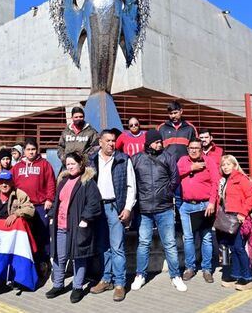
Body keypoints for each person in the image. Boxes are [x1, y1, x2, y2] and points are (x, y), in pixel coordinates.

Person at [130, 129, 186, 292]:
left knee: (169, 243)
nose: (159, 144)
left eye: (160, 142)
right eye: (156, 142)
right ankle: (140, 275)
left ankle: (176, 276)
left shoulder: (168, 157)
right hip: (144, 209)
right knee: (143, 243)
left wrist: (167, 193)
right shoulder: (137, 159)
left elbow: (175, 179)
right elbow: (131, 180)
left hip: (165, 208)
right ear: (148, 143)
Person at [46, 152, 102, 303]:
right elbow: (58, 201)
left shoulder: (88, 182)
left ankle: (77, 287)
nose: (70, 167)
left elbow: (94, 204)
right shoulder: (63, 181)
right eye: (68, 164)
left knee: (79, 257)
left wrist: (85, 219)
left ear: (80, 164)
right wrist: (52, 216)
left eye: (73, 164)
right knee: (59, 256)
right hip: (60, 225)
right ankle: (58, 284)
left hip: (78, 226)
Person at [89, 130, 136, 302]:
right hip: (98, 209)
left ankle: (119, 284)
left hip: (115, 207)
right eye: (107, 141)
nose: (111, 144)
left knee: (117, 247)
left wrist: (128, 208)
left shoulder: (123, 159)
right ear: (100, 142)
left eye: (113, 141)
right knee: (103, 247)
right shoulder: (92, 160)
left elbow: (131, 186)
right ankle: (106, 279)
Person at [11, 138, 56, 277]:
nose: (31, 152)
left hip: (40, 206)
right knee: (25, 236)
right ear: (24, 151)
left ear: (37, 150)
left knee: (42, 235)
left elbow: (51, 183)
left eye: (33, 149)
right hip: (23, 207)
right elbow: (12, 186)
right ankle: (27, 263)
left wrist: (49, 199)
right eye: (28, 149)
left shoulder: (44, 164)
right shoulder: (17, 167)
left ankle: (43, 262)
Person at [177, 138, 220, 283]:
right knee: (188, 238)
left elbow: (216, 182)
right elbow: (175, 174)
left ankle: (207, 269)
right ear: (187, 149)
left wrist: (212, 202)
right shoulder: (183, 161)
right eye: (191, 148)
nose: (194, 150)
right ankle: (190, 268)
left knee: (206, 238)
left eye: (197, 148)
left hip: (204, 206)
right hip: (186, 206)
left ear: (202, 149)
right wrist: (191, 168)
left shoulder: (209, 162)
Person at [217, 155, 252, 291]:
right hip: (228, 218)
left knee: (239, 248)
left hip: (239, 218)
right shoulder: (225, 180)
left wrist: (243, 213)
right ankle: (235, 274)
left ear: (235, 165)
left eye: (228, 164)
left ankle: (247, 277)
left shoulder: (241, 179)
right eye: (223, 165)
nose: (225, 167)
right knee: (232, 247)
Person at [158, 101, 198, 211]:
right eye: (170, 113)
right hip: (166, 169)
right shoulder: (162, 128)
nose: (173, 116)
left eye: (175, 113)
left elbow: (196, 148)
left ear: (181, 111)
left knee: (181, 197)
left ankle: (181, 222)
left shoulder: (190, 128)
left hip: (184, 169)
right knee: (166, 197)